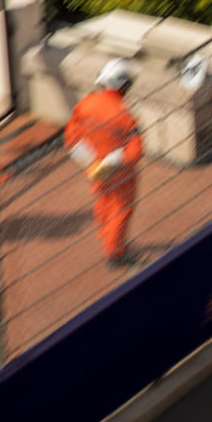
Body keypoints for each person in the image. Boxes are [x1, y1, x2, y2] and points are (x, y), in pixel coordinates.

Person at [65, 59, 145, 267]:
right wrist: (113, 161)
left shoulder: (85, 105)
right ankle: (115, 252)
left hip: (93, 167)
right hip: (119, 171)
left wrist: (92, 163)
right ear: (123, 85)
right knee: (121, 209)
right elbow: (136, 151)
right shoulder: (125, 115)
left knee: (102, 203)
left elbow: (71, 139)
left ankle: (106, 239)